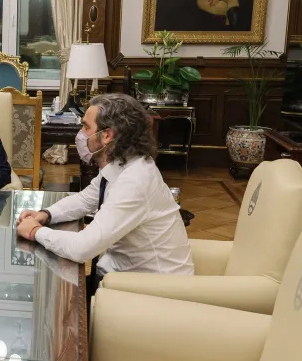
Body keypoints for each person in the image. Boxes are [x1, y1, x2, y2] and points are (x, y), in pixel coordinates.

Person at [16, 93, 193, 290]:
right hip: (124, 276)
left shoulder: (135, 181)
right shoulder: (125, 163)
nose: (80, 134)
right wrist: (45, 214)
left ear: (107, 135)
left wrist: (34, 232)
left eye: (86, 127)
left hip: (154, 291)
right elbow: (85, 199)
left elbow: (82, 248)